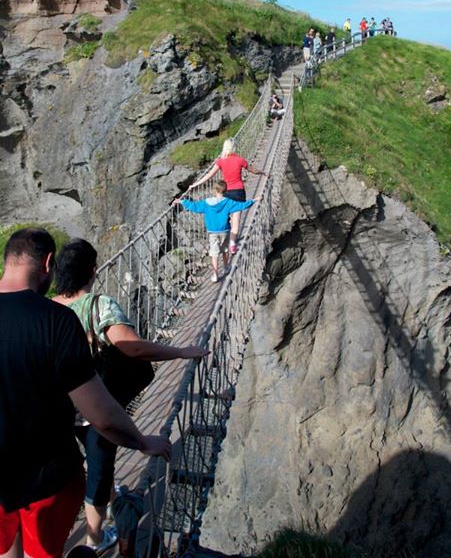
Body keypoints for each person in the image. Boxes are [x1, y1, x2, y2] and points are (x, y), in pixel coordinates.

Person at [0, 228, 172, 558]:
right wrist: (141, 442)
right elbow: (100, 414)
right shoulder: (56, 321)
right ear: (48, 263)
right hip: (46, 479)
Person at [53, 239, 209, 553]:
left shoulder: (49, 308)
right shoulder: (99, 305)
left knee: (91, 465)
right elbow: (132, 347)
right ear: (92, 270)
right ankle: (95, 540)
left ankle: (110, 501)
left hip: (57, 407)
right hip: (95, 406)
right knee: (99, 470)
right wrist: (180, 351)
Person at [186, 138, 267, 254]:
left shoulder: (221, 161)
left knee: (226, 217)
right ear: (234, 147)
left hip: (226, 193)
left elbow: (209, 175)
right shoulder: (240, 160)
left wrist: (195, 184)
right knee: (236, 219)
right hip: (239, 192)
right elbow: (253, 170)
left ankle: (223, 241)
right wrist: (263, 173)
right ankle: (232, 244)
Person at [174, 180, 260, 282]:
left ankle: (215, 274)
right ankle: (226, 267)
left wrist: (182, 201)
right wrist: (253, 200)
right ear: (226, 191)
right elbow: (241, 205)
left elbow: (194, 206)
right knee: (225, 250)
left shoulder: (206, 203)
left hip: (212, 232)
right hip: (225, 230)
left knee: (214, 253)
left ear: (215, 190)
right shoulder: (228, 202)